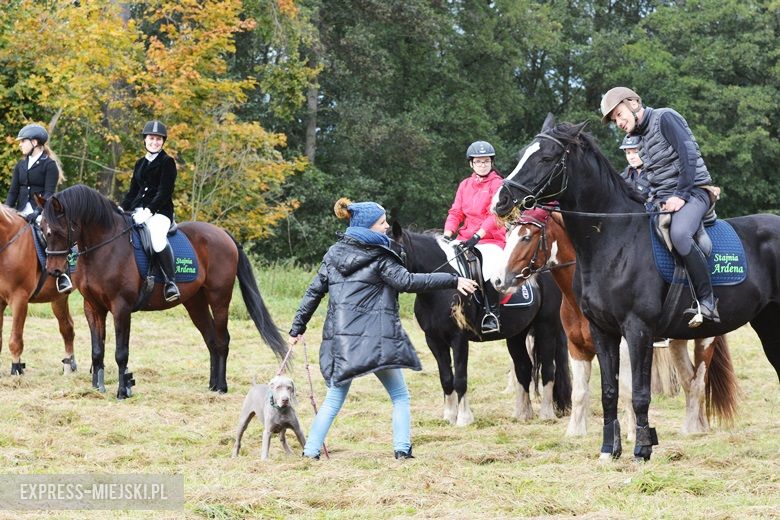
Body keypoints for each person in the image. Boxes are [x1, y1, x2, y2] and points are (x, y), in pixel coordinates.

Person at [289, 197, 477, 460]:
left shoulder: (333, 254)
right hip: (378, 340)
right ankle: (402, 451)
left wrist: (297, 326)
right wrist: (453, 279)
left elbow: (313, 292)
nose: (387, 226)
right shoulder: (381, 257)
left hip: (343, 341)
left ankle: (310, 453)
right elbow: (409, 281)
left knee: (333, 398)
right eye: (382, 222)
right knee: (400, 395)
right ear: (367, 227)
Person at [601, 86, 719, 326]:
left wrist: (681, 194)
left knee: (679, 233)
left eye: (620, 115)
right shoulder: (641, 139)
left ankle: (708, 300)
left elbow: (688, 156)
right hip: (664, 200)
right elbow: (653, 181)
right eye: (615, 120)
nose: (619, 122)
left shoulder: (665, 117)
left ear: (633, 103)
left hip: (695, 191)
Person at [443, 140, 506, 334]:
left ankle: (491, 313)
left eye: (486, 161)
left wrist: (479, 235)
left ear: (491, 162)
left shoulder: (499, 184)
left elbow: (496, 215)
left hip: (491, 239)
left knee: (486, 265)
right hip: (465, 237)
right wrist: (447, 233)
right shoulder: (465, 185)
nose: (482, 165)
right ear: (471, 164)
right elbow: (456, 212)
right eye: (478, 162)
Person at [6, 123, 72, 293]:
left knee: (49, 236)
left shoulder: (49, 165)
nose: (20, 144)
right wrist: (6, 211)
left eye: (23, 141)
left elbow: (49, 193)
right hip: (19, 211)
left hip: (42, 210)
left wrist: (36, 213)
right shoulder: (20, 165)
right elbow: (13, 192)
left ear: (34, 142)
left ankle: (63, 276)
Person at [120, 120, 180, 302]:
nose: (155, 142)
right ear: (145, 140)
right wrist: (122, 208)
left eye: (158, 139)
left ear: (163, 142)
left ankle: (171, 282)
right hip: (136, 211)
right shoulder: (140, 163)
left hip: (160, 212)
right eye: (151, 138)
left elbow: (164, 192)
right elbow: (133, 192)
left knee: (156, 238)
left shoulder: (167, 162)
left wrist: (148, 212)